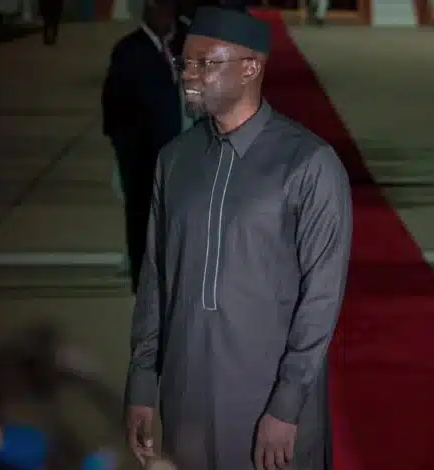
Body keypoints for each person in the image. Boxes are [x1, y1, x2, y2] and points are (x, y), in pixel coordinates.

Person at [124, 7, 352, 470]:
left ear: (250, 68)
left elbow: (322, 299)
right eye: (185, 62)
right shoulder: (175, 160)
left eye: (205, 63)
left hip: (269, 405)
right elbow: (155, 279)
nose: (189, 75)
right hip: (186, 398)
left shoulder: (308, 163)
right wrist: (143, 383)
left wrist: (286, 405)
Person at [101, 0, 188, 293]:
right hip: (143, 155)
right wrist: (126, 150)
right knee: (142, 218)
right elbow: (114, 108)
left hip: (185, 152)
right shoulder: (129, 51)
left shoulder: (187, 43)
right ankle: (144, 285)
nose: (164, 14)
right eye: (157, 7)